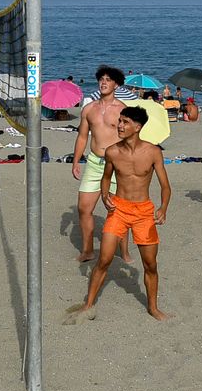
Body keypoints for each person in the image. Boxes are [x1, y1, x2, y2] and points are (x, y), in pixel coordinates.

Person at [72, 106, 172, 321]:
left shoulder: (153, 151)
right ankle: (88, 304)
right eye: (120, 121)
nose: (119, 125)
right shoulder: (112, 152)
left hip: (144, 212)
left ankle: (153, 307)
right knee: (104, 259)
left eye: (125, 122)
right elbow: (106, 177)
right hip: (119, 209)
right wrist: (106, 194)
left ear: (137, 127)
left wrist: (163, 207)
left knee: (150, 265)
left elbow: (165, 185)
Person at [72, 65, 132, 262]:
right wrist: (75, 161)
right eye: (101, 79)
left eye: (108, 79)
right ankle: (88, 250)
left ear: (116, 84)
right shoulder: (89, 109)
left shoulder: (123, 109)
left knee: (117, 210)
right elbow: (82, 136)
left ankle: (123, 251)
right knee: (84, 207)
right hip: (94, 162)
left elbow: (130, 138)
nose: (104, 82)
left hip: (116, 164)